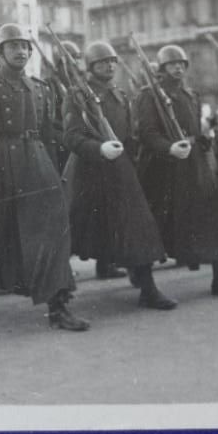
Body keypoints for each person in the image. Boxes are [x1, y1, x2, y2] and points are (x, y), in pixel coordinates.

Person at [0, 23, 89, 330]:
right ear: (0, 52)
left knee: (53, 233)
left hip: (38, 168)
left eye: (26, 46)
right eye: (13, 46)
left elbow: (47, 137)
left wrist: (54, 175)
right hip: (2, 169)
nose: (21, 51)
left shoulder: (40, 89)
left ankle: (58, 308)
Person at [63, 41, 176, 309]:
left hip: (120, 169)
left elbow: (129, 133)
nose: (110, 66)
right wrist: (99, 148)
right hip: (88, 173)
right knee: (71, 234)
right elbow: (71, 136)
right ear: (90, 67)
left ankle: (147, 287)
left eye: (112, 61)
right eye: (102, 62)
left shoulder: (119, 94)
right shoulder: (77, 94)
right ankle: (58, 293)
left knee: (138, 226)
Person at [137, 44, 218, 297]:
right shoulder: (149, 95)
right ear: (162, 68)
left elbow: (194, 129)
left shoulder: (190, 95)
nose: (178, 68)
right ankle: (145, 284)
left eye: (181, 64)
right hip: (163, 167)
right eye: (172, 64)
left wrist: (202, 140)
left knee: (214, 216)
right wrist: (168, 147)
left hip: (194, 163)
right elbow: (147, 133)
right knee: (157, 225)